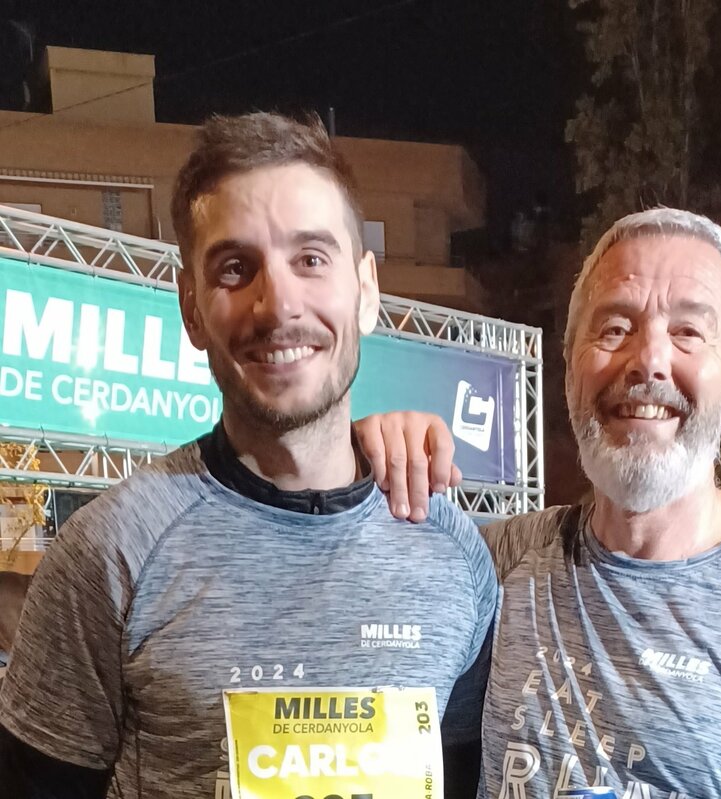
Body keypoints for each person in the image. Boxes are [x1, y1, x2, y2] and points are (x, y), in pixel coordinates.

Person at [0, 111, 496, 799]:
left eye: (311, 259)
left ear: (367, 291)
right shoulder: (110, 552)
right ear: (192, 308)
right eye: (236, 268)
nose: (278, 304)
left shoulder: (454, 554)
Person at [356, 208, 721, 798]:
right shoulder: (495, 564)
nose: (648, 360)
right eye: (614, 328)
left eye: (688, 333)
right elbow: (351, 675)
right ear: (570, 372)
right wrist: (357, 473)